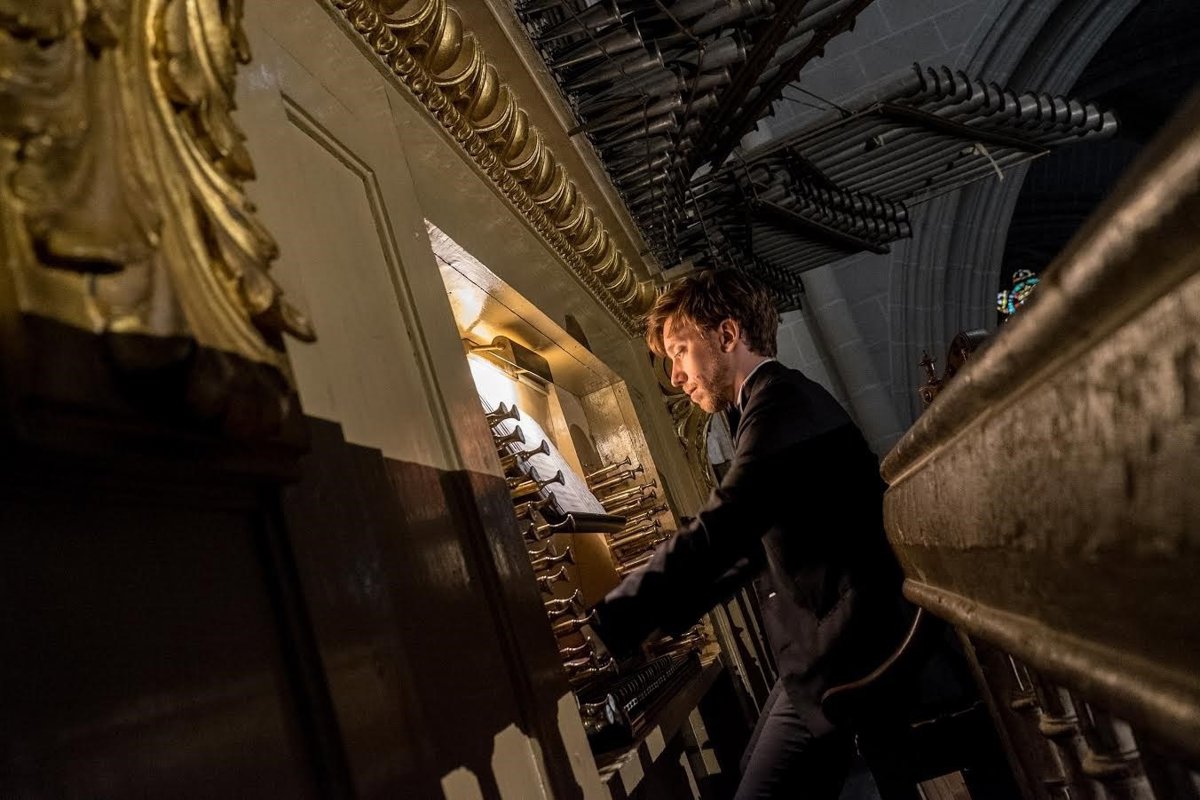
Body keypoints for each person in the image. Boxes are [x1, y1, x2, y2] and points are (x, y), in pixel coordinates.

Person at [589, 270, 913, 800]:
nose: (676, 376)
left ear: (727, 335)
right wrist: (653, 626)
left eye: (680, 351)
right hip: (826, 641)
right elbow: (747, 550)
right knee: (748, 770)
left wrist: (606, 624)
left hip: (852, 646)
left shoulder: (780, 402)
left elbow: (726, 524)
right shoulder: (771, 403)